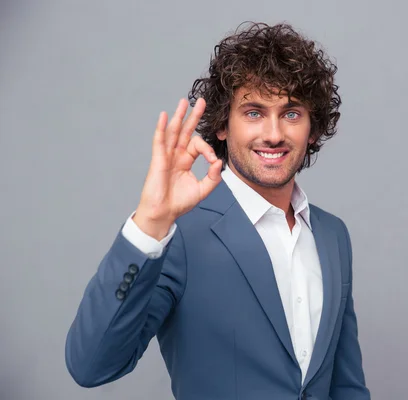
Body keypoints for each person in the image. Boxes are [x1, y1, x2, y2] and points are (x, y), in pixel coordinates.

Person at [65, 22, 370, 400]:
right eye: (254, 112)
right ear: (223, 125)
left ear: (312, 128)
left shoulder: (332, 235)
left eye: (291, 113)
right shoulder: (179, 236)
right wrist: (150, 223)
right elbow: (91, 365)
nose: (273, 133)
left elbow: (346, 386)